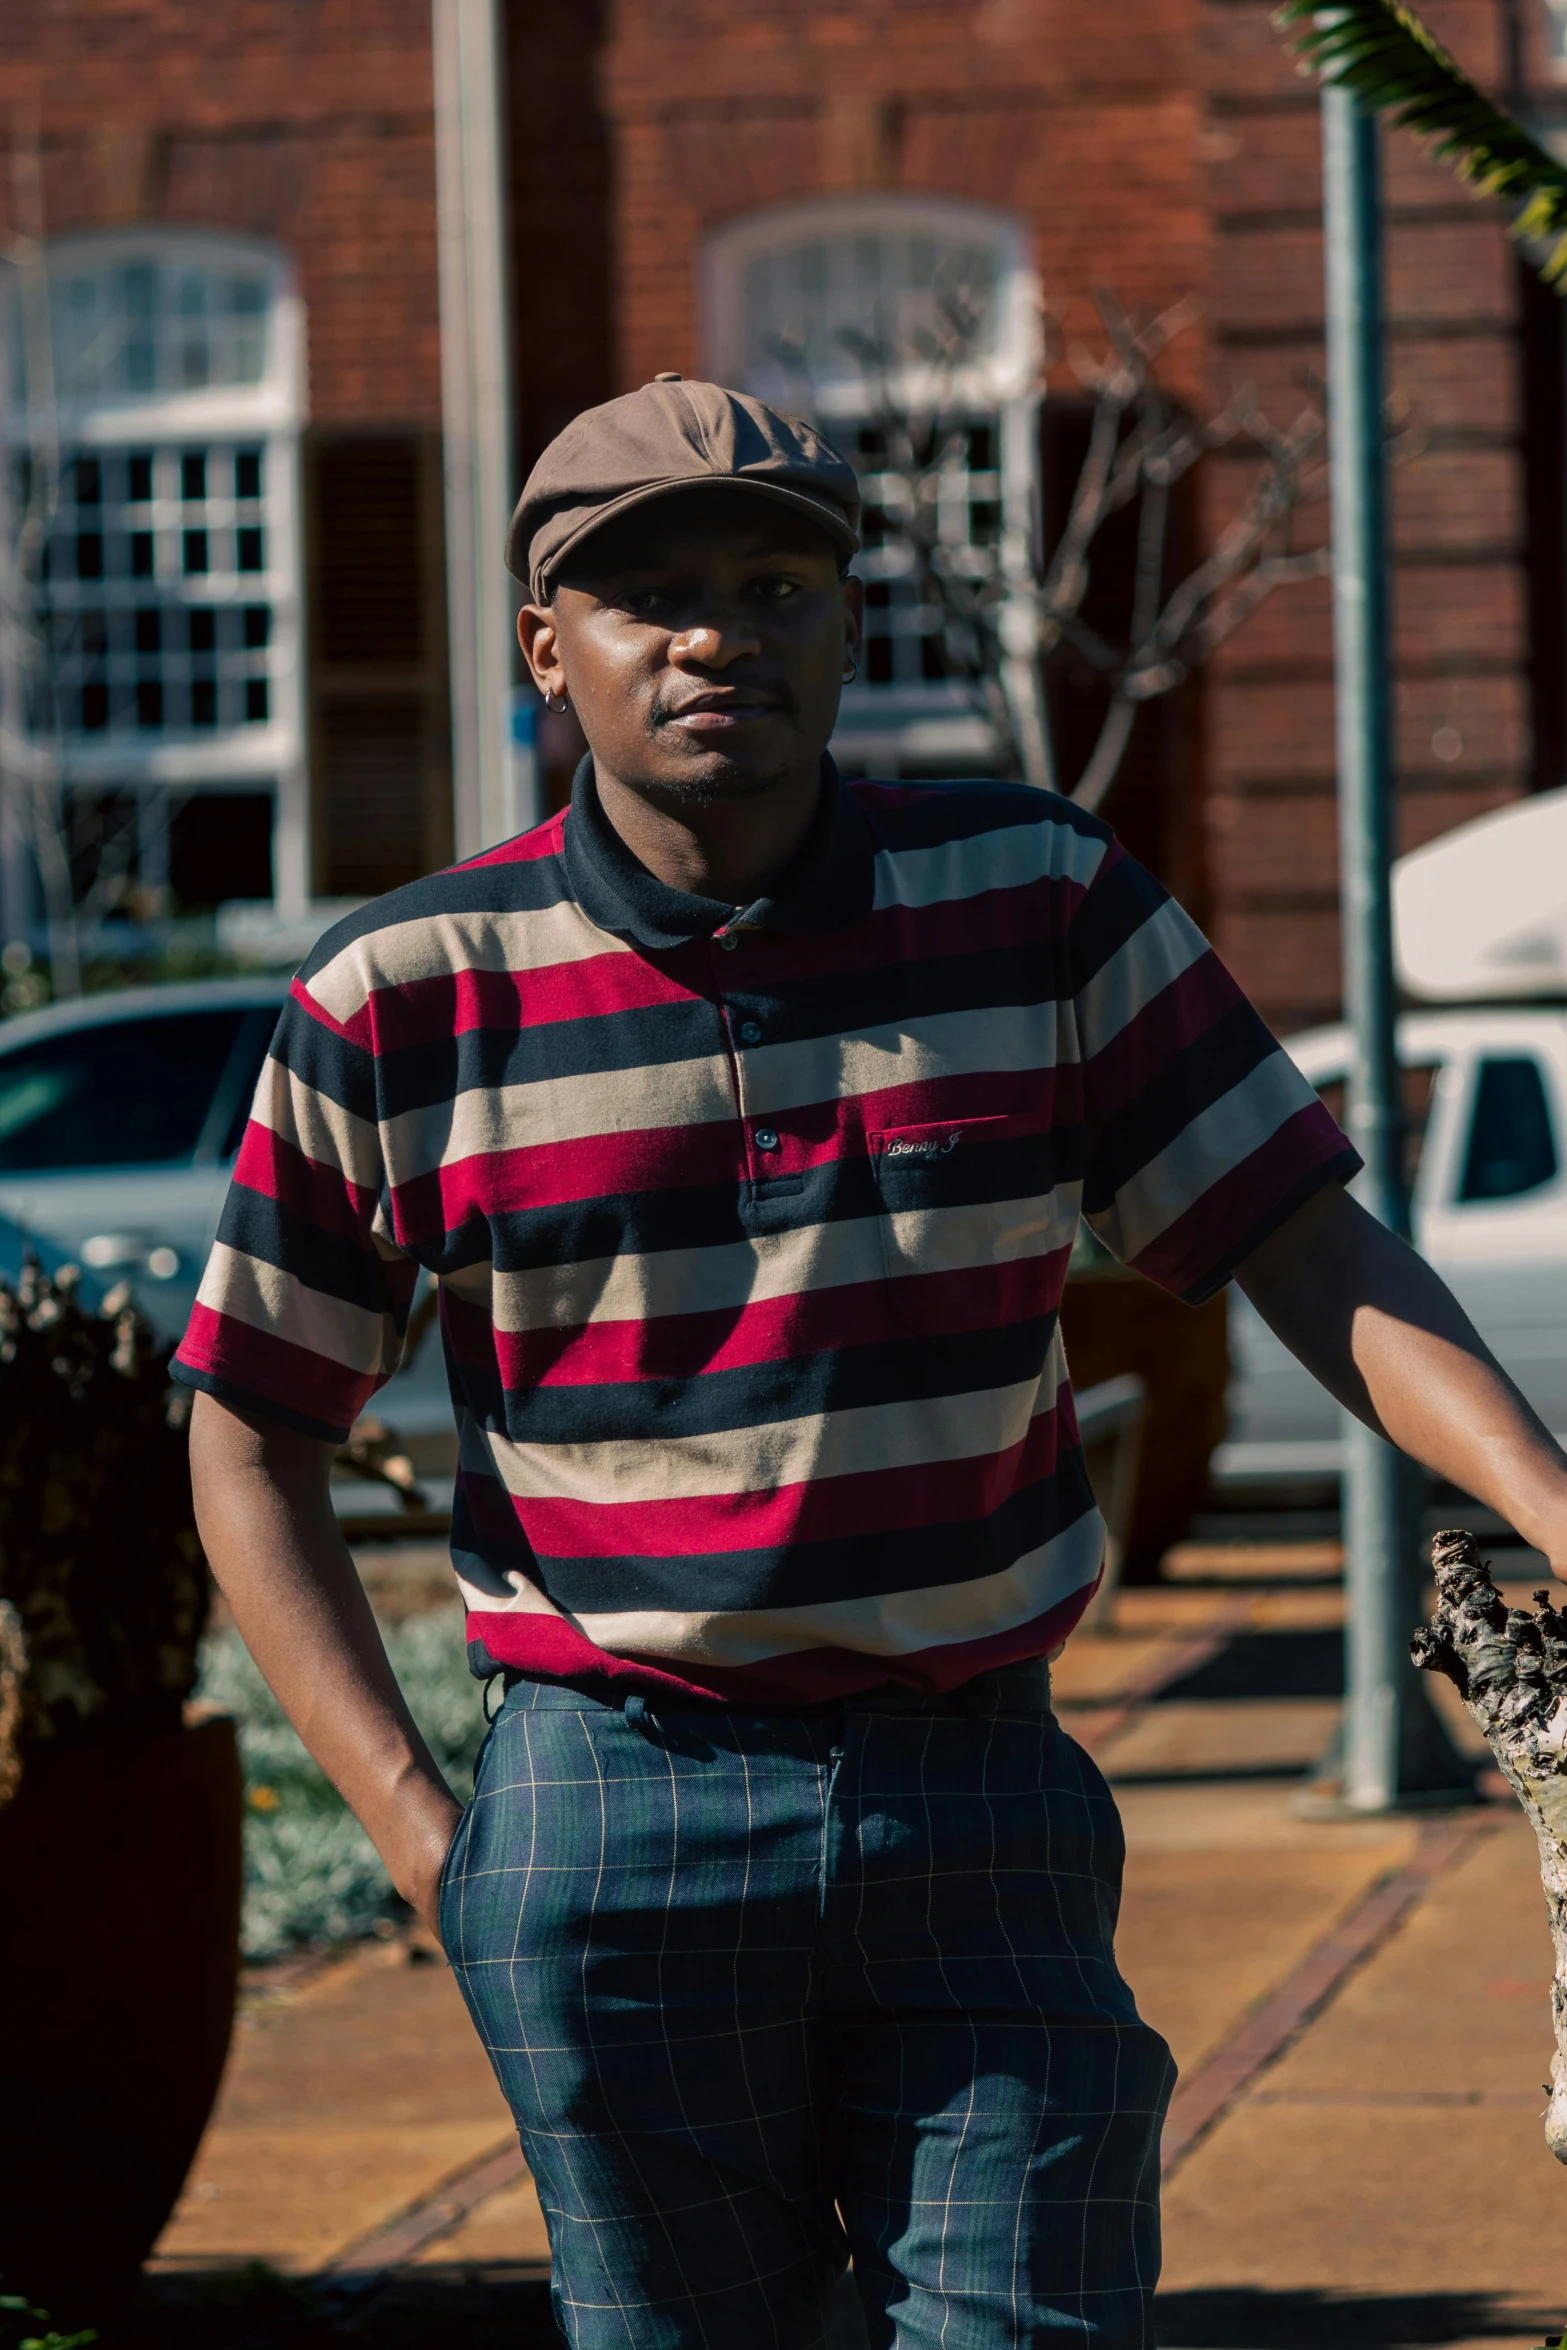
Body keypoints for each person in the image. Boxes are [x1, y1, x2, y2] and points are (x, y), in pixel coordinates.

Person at [179, 377, 1567, 2350]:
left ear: (849, 624)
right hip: (607, 1803)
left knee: (1036, 2317)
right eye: (647, 591)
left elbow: (1298, 1234)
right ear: (542, 644)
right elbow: (248, 1435)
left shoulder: (1041, 905)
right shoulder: (406, 996)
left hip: (972, 1782)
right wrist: (434, 1839)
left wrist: (1554, 1507)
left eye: (776, 580)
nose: (716, 630)